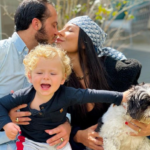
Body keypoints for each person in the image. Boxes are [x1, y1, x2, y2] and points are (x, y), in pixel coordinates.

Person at [0, 44, 129, 150]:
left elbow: (91, 94)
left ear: (62, 79)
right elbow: (1, 104)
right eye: (39, 72)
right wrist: (7, 124)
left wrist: (120, 97)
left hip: (59, 145)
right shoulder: (24, 95)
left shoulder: (66, 94)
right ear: (30, 76)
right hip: (30, 143)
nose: (46, 77)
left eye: (52, 73)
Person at [54, 15, 147, 150]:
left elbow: (143, 105)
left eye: (69, 30)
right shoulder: (58, 80)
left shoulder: (115, 72)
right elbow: (56, 120)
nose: (59, 32)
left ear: (84, 42)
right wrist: (78, 136)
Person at [0, 0, 70, 149]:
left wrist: (66, 124)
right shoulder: (2, 53)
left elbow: (61, 100)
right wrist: (4, 119)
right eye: (53, 25)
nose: (57, 32)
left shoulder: (52, 60)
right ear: (36, 24)